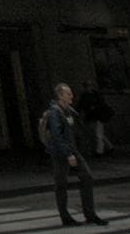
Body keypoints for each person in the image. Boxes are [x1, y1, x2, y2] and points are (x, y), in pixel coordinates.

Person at [45, 83, 106, 227]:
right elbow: (56, 136)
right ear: (60, 96)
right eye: (68, 94)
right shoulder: (55, 112)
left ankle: (90, 214)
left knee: (87, 178)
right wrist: (68, 154)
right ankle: (65, 217)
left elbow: (75, 130)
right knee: (61, 184)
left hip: (73, 151)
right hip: (61, 153)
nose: (72, 96)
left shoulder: (69, 111)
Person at [77, 84, 114, 157]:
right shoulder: (91, 96)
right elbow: (80, 106)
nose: (88, 88)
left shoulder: (95, 96)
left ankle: (100, 151)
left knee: (98, 134)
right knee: (98, 134)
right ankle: (109, 147)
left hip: (98, 117)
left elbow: (81, 106)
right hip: (94, 117)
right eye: (87, 87)